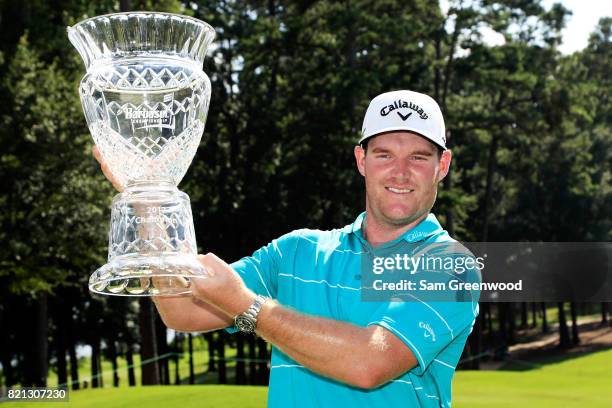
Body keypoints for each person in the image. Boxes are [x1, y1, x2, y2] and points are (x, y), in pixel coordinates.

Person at [94, 89, 480, 407]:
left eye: (418, 157)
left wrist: (249, 307)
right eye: (384, 155)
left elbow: (369, 362)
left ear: (442, 165)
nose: (400, 172)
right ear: (362, 160)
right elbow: (182, 311)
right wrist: (145, 198)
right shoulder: (297, 251)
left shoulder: (451, 265)